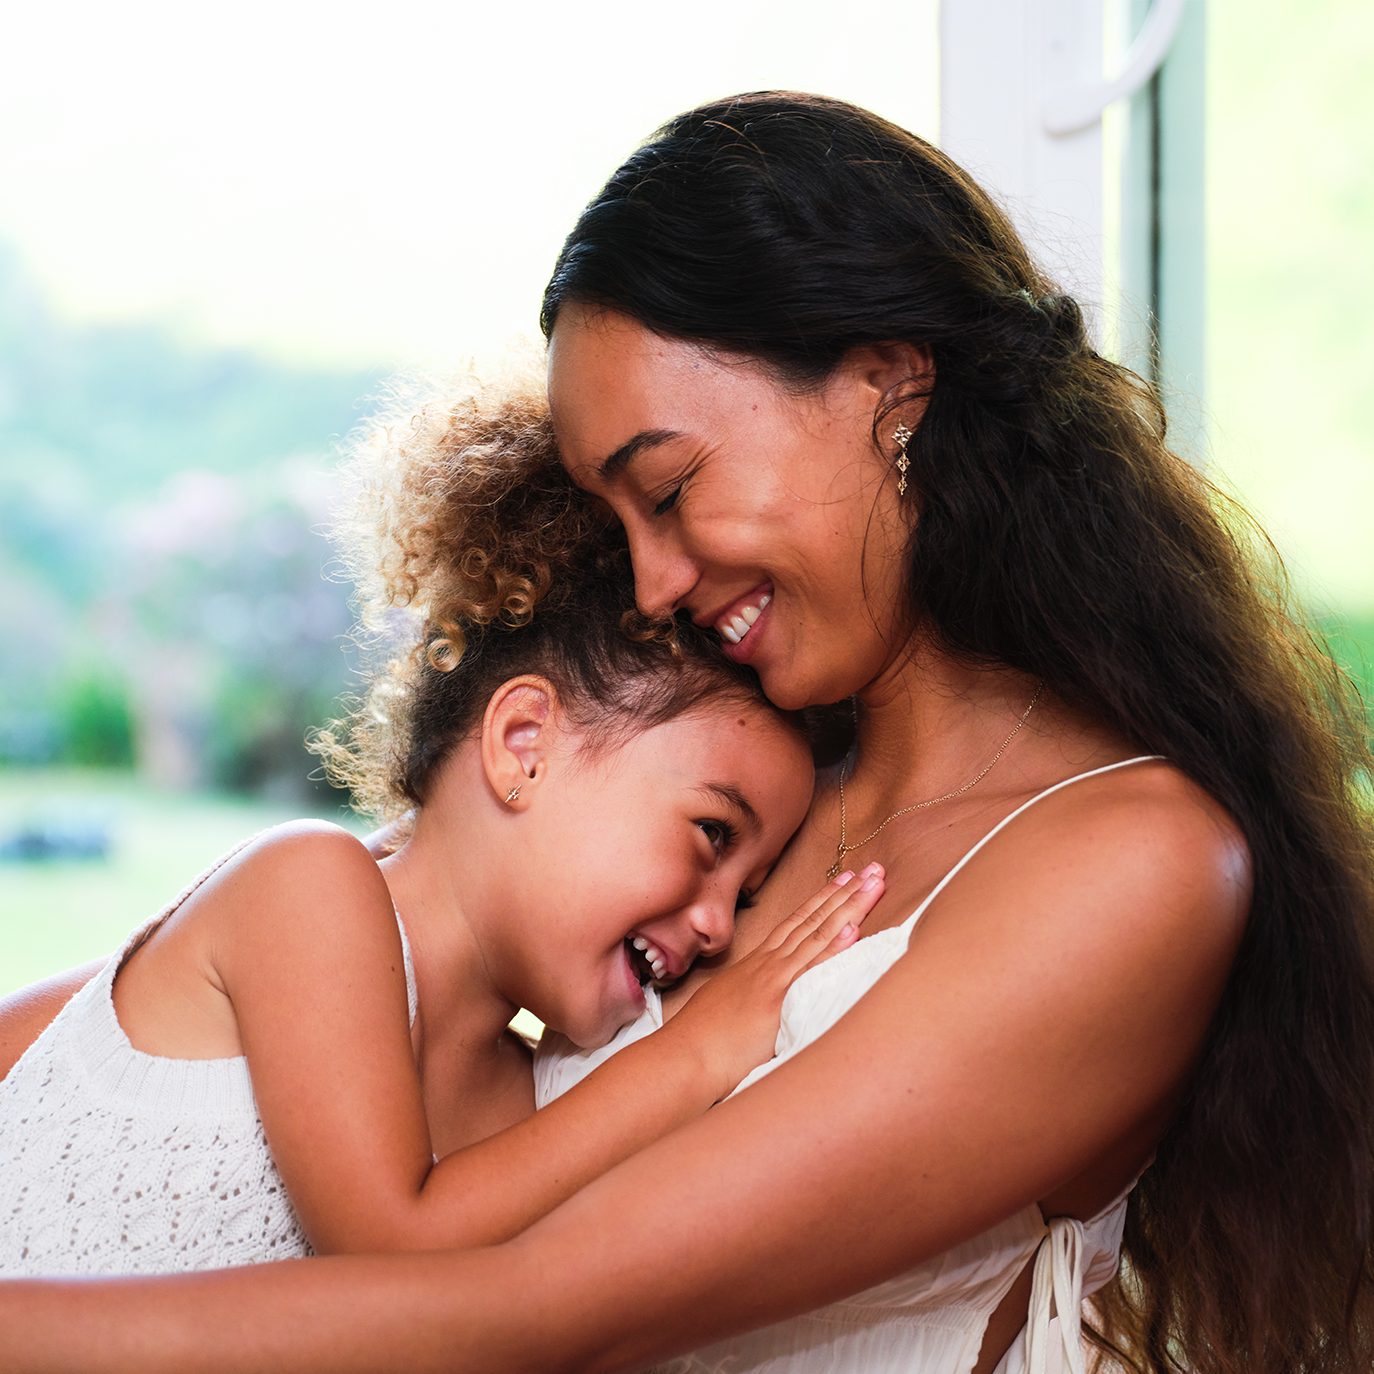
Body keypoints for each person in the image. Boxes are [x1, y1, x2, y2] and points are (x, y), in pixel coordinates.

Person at [1, 90, 1371, 1374]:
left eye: (668, 489)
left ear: (889, 389)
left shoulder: (1129, 865)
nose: (652, 580)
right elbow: (201, 1038)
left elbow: (517, 1307)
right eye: (616, 526)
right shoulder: (746, 784)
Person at [0, 379, 880, 1276]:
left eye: (749, 891)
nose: (720, 925)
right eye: (713, 836)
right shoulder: (310, 885)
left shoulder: (516, 1098)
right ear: (522, 744)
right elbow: (392, 1253)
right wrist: (701, 1050)